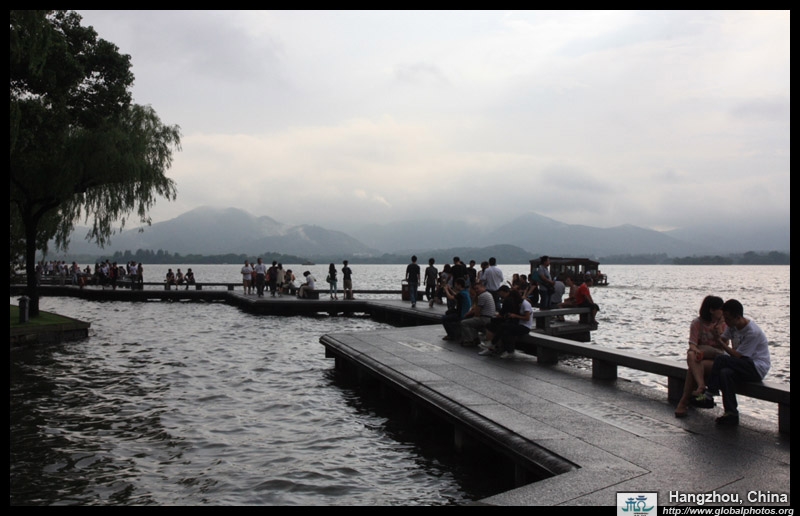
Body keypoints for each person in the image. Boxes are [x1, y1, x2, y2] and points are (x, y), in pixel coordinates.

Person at [700, 299, 771, 426]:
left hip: (756, 368)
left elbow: (738, 356)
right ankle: (731, 413)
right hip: (742, 364)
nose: (726, 322)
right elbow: (722, 340)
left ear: (737, 317)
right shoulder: (732, 326)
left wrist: (720, 342)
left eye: (727, 319)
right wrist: (716, 334)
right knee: (725, 373)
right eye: (724, 318)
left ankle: (710, 393)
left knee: (721, 359)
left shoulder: (752, 332)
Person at [674, 296, 727, 418]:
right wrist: (696, 350)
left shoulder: (723, 325)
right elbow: (692, 344)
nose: (723, 312)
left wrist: (718, 332)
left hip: (718, 358)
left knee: (693, 366)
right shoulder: (697, 323)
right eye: (721, 309)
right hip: (702, 359)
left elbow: (725, 347)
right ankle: (701, 385)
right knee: (692, 358)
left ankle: (683, 402)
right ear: (712, 310)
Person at [460, 281, 496, 347]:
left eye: (477, 288)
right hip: (490, 317)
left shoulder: (482, 296)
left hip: (485, 318)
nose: (476, 290)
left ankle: (470, 340)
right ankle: (475, 338)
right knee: (473, 321)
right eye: (475, 289)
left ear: (483, 287)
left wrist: (470, 315)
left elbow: (477, 311)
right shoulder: (488, 294)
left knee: (464, 323)